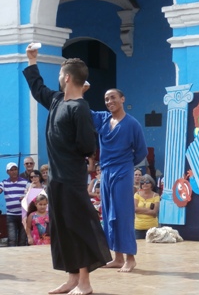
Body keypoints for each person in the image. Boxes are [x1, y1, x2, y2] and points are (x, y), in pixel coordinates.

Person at [23, 45, 111, 295]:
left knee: (78, 226)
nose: (59, 77)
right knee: (62, 228)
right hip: (57, 179)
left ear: (68, 77)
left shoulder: (79, 108)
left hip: (71, 178)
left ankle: (85, 282)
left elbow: (86, 145)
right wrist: (32, 61)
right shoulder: (56, 100)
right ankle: (72, 277)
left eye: (61, 73)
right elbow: (38, 89)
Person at [91, 88, 148, 273]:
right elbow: (83, 112)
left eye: (113, 97)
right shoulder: (103, 119)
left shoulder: (132, 124)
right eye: (106, 99)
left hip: (123, 171)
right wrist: (80, 92)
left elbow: (141, 151)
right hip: (105, 172)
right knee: (108, 214)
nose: (109, 101)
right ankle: (117, 257)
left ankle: (130, 258)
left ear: (122, 99)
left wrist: (125, 163)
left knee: (123, 214)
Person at [0, 162, 28, 246]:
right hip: (11, 215)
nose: (14, 171)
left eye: (15, 169)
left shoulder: (25, 182)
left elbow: (31, 193)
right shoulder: (4, 183)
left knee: (23, 240)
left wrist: (25, 197)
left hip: (23, 215)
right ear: (7, 172)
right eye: (11, 170)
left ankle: (22, 258)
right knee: (12, 239)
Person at [134, 174, 160, 239]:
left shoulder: (156, 196)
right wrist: (148, 210)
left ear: (151, 184)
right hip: (138, 228)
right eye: (142, 182)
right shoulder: (137, 195)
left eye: (147, 182)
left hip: (152, 228)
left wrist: (140, 210)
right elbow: (135, 209)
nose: (145, 184)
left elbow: (154, 212)